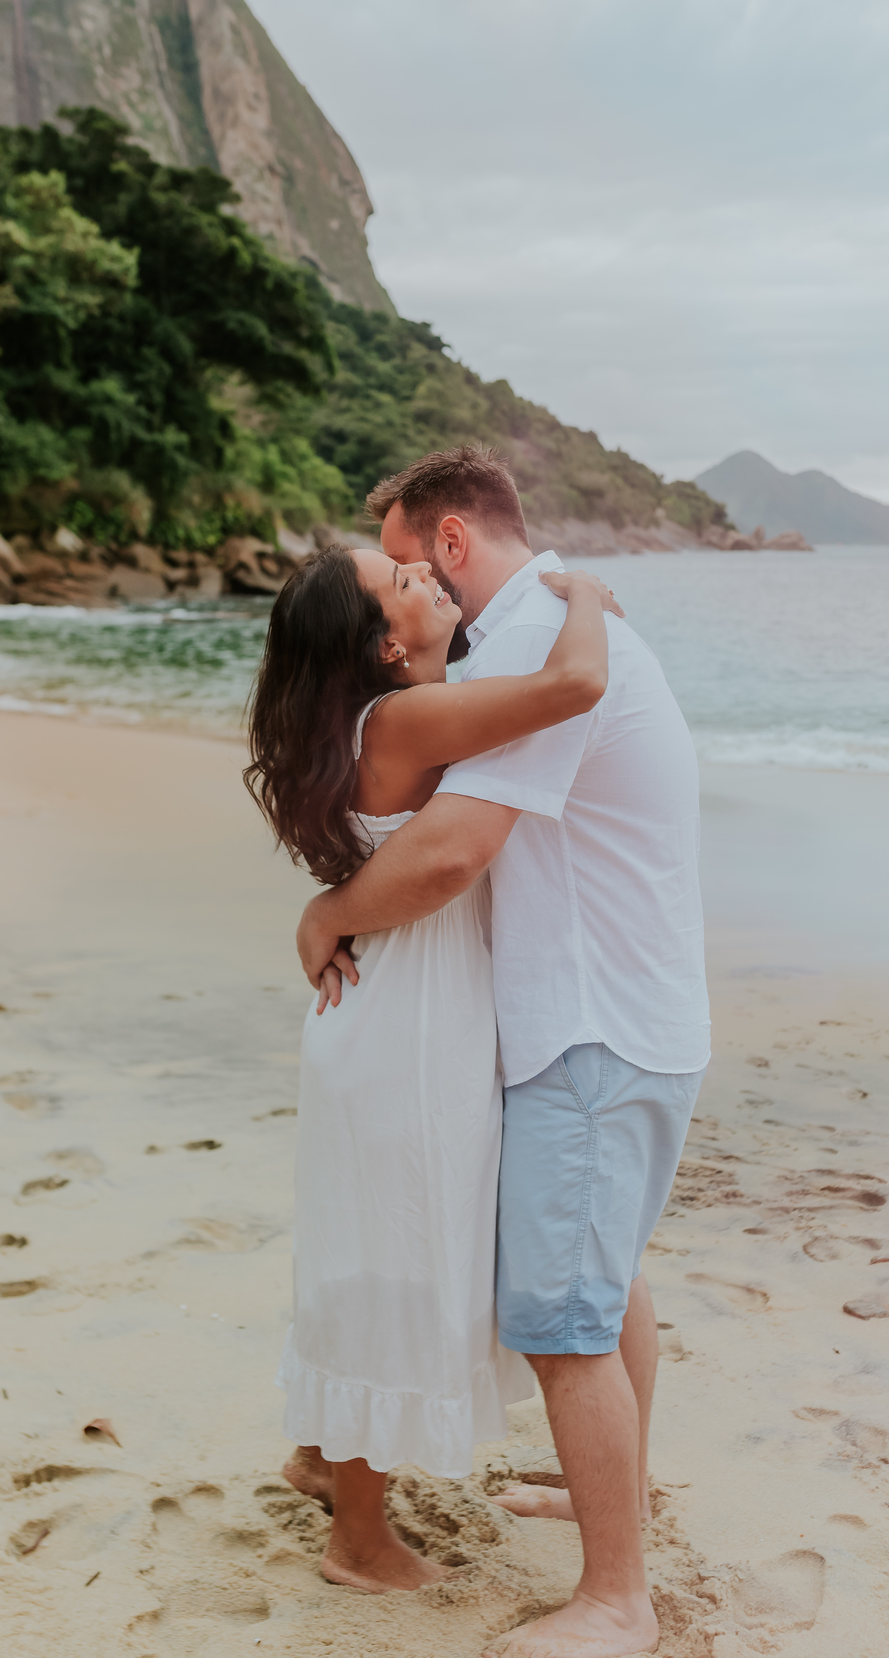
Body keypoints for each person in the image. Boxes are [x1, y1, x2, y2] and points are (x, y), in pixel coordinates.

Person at [297, 446, 711, 1658]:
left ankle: (615, 1596)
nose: (414, 583)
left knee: (564, 1317)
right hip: (627, 1015)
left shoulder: (533, 642)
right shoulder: (525, 639)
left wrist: (326, 915)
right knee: (604, 1274)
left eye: (412, 558)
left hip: (586, 1022)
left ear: (452, 546)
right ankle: (613, 1503)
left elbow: (449, 854)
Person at [243, 536, 625, 1595]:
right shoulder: (403, 719)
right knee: (394, 1261)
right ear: (383, 642)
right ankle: (359, 1541)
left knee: (365, 1246)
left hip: (384, 1011)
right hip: (407, 1023)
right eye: (400, 583)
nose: (428, 579)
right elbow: (576, 682)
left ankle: (325, 1456)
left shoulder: (371, 722)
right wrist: (585, 593)